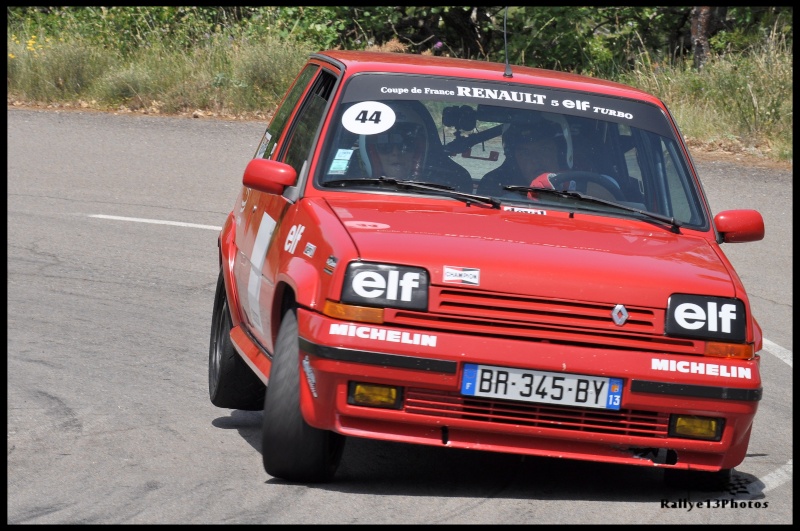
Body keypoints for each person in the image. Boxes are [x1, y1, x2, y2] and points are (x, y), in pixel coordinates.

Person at [358, 101, 473, 193]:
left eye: (407, 144)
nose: (396, 153)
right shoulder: (344, 184)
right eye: (385, 146)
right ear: (370, 151)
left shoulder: (449, 189)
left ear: (420, 150)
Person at [476, 120, 566, 197]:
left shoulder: (577, 187)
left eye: (544, 150)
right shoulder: (493, 187)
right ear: (514, 161)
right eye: (526, 153)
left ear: (560, 154)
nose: (535, 160)